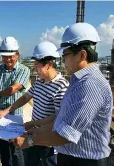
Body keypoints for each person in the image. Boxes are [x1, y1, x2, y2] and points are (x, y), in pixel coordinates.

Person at [14, 22, 113, 166]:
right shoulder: (79, 82)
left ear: (82, 55)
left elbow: (64, 134)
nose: (63, 60)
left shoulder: (90, 85)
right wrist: (30, 131)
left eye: (65, 55)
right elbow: (60, 121)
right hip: (73, 157)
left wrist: (29, 140)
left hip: (86, 161)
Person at [0, 41, 69, 166]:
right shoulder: (40, 81)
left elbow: (57, 118)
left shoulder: (61, 86)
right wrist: (6, 111)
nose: (35, 69)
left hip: (48, 140)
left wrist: (32, 125)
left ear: (49, 64)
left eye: (37, 66)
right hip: (33, 135)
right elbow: (25, 97)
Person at [0, 36, 30, 166]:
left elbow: (14, 88)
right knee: (3, 149)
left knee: (16, 149)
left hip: (14, 115)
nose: (8, 59)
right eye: (5, 56)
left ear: (17, 55)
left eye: (11, 56)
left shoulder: (24, 70)